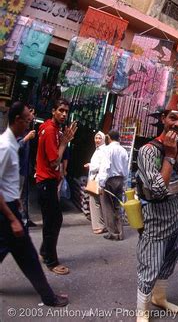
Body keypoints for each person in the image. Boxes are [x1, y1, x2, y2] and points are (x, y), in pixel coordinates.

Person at [0, 102, 68, 307]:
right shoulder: (6, 146)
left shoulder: (13, 142)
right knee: (28, 257)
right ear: (18, 120)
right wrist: (12, 217)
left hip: (11, 206)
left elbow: (8, 181)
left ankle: (48, 294)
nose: (30, 125)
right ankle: (49, 296)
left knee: (7, 249)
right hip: (7, 210)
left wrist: (18, 204)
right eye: (28, 120)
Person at [135, 101, 178, 320]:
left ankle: (159, 298)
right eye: (173, 118)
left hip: (177, 214)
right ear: (163, 119)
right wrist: (169, 155)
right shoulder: (148, 151)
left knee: (170, 259)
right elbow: (158, 190)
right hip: (156, 219)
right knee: (150, 264)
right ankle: (142, 313)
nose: (177, 124)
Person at [35, 98, 77, 275]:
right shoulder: (51, 130)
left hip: (47, 181)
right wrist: (64, 142)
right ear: (53, 111)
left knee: (52, 220)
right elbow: (54, 162)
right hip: (46, 181)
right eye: (60, 110)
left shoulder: (49, 127)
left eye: (66, 111)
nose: (64, 114)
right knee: (54, 220)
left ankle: (45, 252)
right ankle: (51, 261)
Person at [98, 130, 129, 241]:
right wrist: (124, 182)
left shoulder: (107, 149)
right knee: (117, 206)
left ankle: (112, 233)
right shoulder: (123, 150)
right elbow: (126, 169)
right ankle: (120, 232)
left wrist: (101, 184)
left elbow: (105, 167)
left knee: (107, 207)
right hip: (120, 180)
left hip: (109, 180)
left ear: (109, 137)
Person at [84, 131, 107, 234]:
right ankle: (100, 224)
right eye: (96, 138)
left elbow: (101, 165)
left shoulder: (103, 150)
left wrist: (90, 166)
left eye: (99, 138)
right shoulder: (98, 150)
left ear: (103, 139)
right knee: (96, 202)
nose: (97, 140)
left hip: (97, 179)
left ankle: (99, 226)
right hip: (94, 178)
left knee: (95, 202)